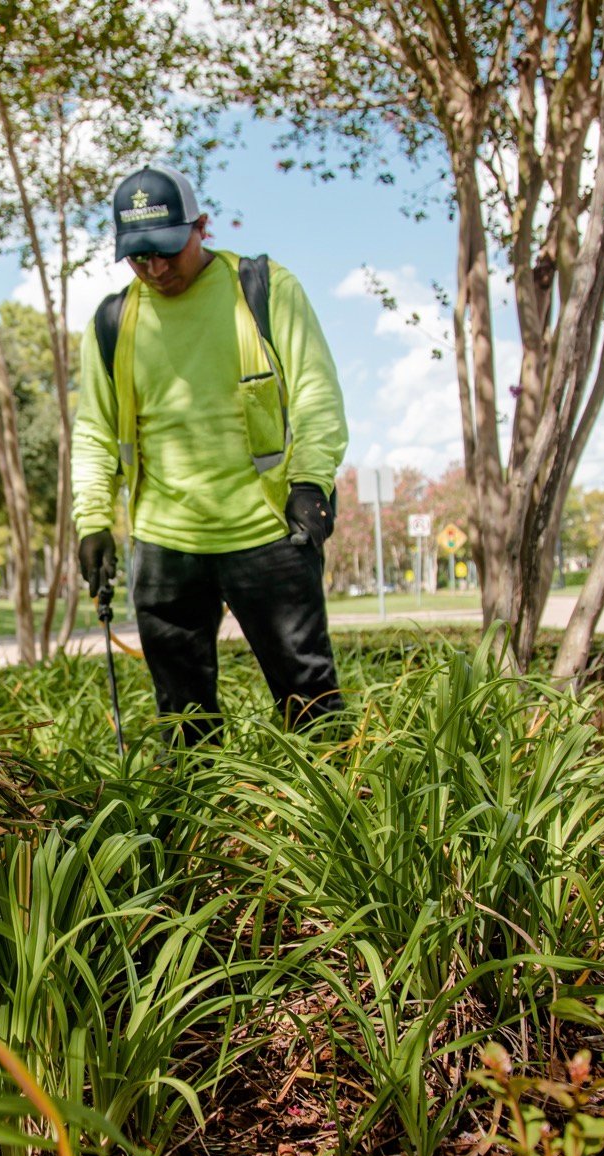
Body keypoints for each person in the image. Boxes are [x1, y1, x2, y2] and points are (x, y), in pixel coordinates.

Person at [72, 165, 347, 744]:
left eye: (168, 250)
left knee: (311, 698)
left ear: (201, 227)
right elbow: (95, 431)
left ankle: (335, 825)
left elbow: (318, 394)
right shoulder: (113, 322)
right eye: (139, 257)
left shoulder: (263, 289)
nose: (156, 269)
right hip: (164, 546)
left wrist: (311, 484)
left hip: (269, 536)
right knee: (183, 719)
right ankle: (201, 832)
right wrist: (92, 520)